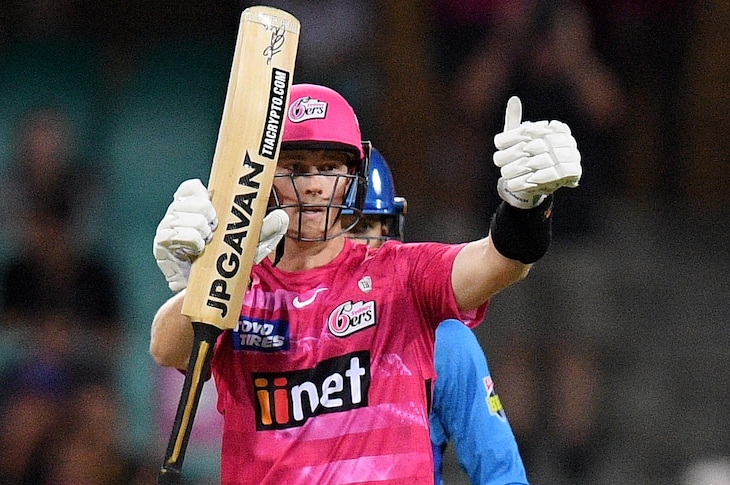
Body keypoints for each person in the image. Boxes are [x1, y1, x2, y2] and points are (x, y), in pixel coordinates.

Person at [150, 83, 581, 483]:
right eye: (296, 168)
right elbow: (165, 347)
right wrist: (206, 278)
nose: (315, 185)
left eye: (330, 167)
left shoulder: (402, 275)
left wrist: (525, 207)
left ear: (353, 173)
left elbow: (500, 262)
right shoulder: (239, 290)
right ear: (265, 178)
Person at [345, 148, 529, 484]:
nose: (355, 247)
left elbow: (499, 472)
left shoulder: (442, 340)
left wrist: (528, 218)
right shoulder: (268, 319)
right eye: (343, 227)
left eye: (365, 227)